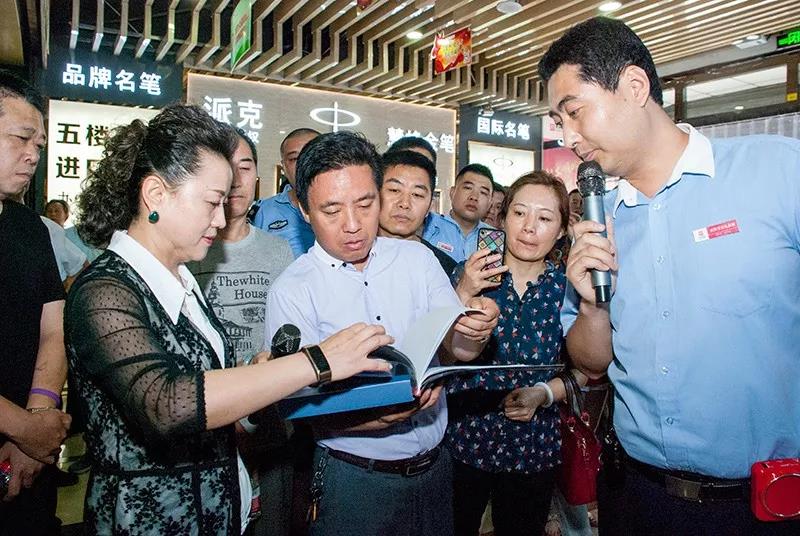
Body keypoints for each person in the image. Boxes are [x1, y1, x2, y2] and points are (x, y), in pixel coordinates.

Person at [65, 105, 393, 535]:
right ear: (156, 194)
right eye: (211, 202)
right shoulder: (105, 289)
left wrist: (258, 374)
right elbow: (167, 403)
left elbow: (203, 382)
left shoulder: (182, 279)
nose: (220, 219)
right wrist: (316, 361)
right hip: (147, 519)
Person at [540, 17, 800, 535]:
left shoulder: (777, 172)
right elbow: (591, 363)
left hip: (760, 503)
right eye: (558, 121)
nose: (568, 137)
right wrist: (592, 305)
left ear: (635, 87)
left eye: (574, 112)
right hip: (636, 495)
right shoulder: (600, 220)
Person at [264, 131, 500, 536]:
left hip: (435, 471)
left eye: (365, 204)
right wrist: (376, 417)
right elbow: (297, 407)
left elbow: (458, 349)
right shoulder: (292, 290)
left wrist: (475, 330)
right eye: (332, 210)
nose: (353, 225)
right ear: (303, 209)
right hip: (354, 481)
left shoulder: (418, 259)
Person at [447, 172, 586, 536]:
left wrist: (543, 393)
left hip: (533, 448)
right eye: (520, 213)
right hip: (464, 439)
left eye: (544, 218)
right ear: (503, 217)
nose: (529, 228)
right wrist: (463, 292)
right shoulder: (469, 275)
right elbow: (438, 351)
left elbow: (586, 370)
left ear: (561, 230)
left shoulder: (569, 289)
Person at [187, 128, 295, 536]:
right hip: (201, 429)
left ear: (258, 178)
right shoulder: (186, 249)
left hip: (267, 425)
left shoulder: (278, 250)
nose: (235, 179)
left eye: (245, 167)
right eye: (225, 167)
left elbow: (287, 337)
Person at [0, 70, 71, 535]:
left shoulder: (30, 229)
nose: (33, 155)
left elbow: (54, 326)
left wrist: (38, 421)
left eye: (39, 144)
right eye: (21, 138)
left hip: (27, 456)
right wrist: (22, 428)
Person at [378, 149, 456, 276]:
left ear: (430, 206)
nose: (405, 203)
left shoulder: (444, 269)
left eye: (417, 194)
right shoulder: (351, 254)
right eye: (394, 190)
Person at [251, 128, 319, 257]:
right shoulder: (263, 211)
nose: (304, 164)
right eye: (294, 158)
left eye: (312, 156)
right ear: (284, 168)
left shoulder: (348, 207)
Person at [423, 163, 494, 263]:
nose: (474, 197)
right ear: (452, 192)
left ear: (490, 203)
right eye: (468, 188)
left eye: (483, 192)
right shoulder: (429, 224)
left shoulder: (493, 237)